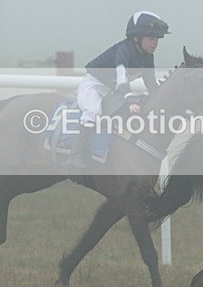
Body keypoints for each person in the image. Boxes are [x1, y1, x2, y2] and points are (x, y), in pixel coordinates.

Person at [70, 10, 170, 169]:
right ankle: (75, 155)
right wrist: (130, 100)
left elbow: (151, 85)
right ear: (137, 38)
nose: (155, 43)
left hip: (112, 90)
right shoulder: (124, 50)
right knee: (92, 113)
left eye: (157, 39)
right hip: (94, 85)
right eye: (151, 38)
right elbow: (122, 80)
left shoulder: (148, 57)